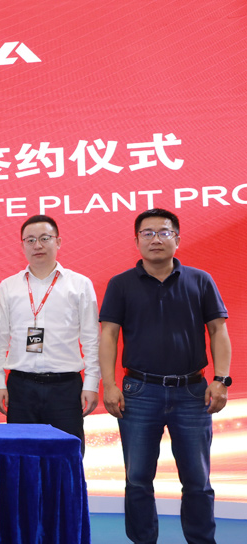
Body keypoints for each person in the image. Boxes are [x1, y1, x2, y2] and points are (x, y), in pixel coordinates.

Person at [99, 208, 231, 544]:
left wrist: (221, 379)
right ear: (137, 241)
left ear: (177, 238)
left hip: (192, 393)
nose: (155, 239)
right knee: (138, 480)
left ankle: (202, 540)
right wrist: (110, 385)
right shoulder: (120, 284)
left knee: (198, 481)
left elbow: (218, 330)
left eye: (164, 232)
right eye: (147, 233)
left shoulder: (200, 280)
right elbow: (109, 336)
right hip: (139, 392)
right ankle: (143, 540)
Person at [0, 215, 100, 454]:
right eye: (30, 240)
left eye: (44, 238)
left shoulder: (79, 284)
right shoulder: (8, 286)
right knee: (21, 458)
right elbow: (0, 338)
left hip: (65, 389)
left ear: (58, 241)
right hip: (21, 388)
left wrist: (92, 383)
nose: (37, 245)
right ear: (22, 246)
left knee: (67, 457)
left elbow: (92, 338)